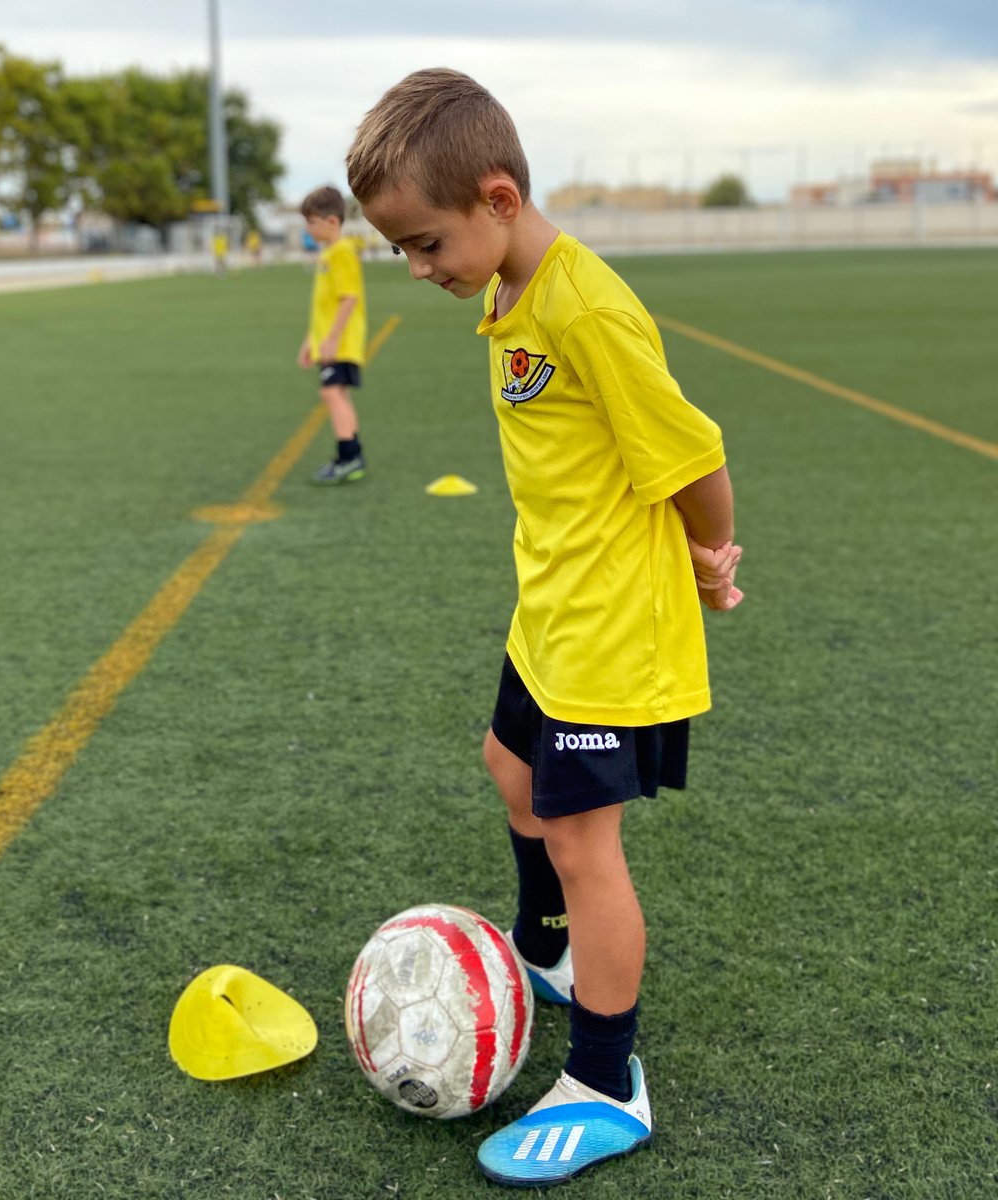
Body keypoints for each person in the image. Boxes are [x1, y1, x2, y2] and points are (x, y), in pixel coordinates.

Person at [346, 69, 743, 1187]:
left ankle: (609, 1084)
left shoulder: (587, 308)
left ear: (500, 198)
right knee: (507, 765)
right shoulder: (511, 289)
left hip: (610, 630)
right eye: (400, 251)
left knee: (583, 844)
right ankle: (546, 950)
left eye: (426, 243)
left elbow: (694, 455)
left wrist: (713, 557)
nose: (419, 269)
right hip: (554, 610)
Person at [297, 186, 368, 484]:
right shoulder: (329, 254)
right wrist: (310, 341)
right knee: (338, 393)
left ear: (332, 222)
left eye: (312, 222)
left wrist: (332, 339)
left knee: (330, 392)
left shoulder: (342, 252)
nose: (308, 228)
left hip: (340, 342)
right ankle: (354, 454)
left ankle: (348, 457)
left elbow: (348, 298)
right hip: (330, 341)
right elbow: (323, 308)